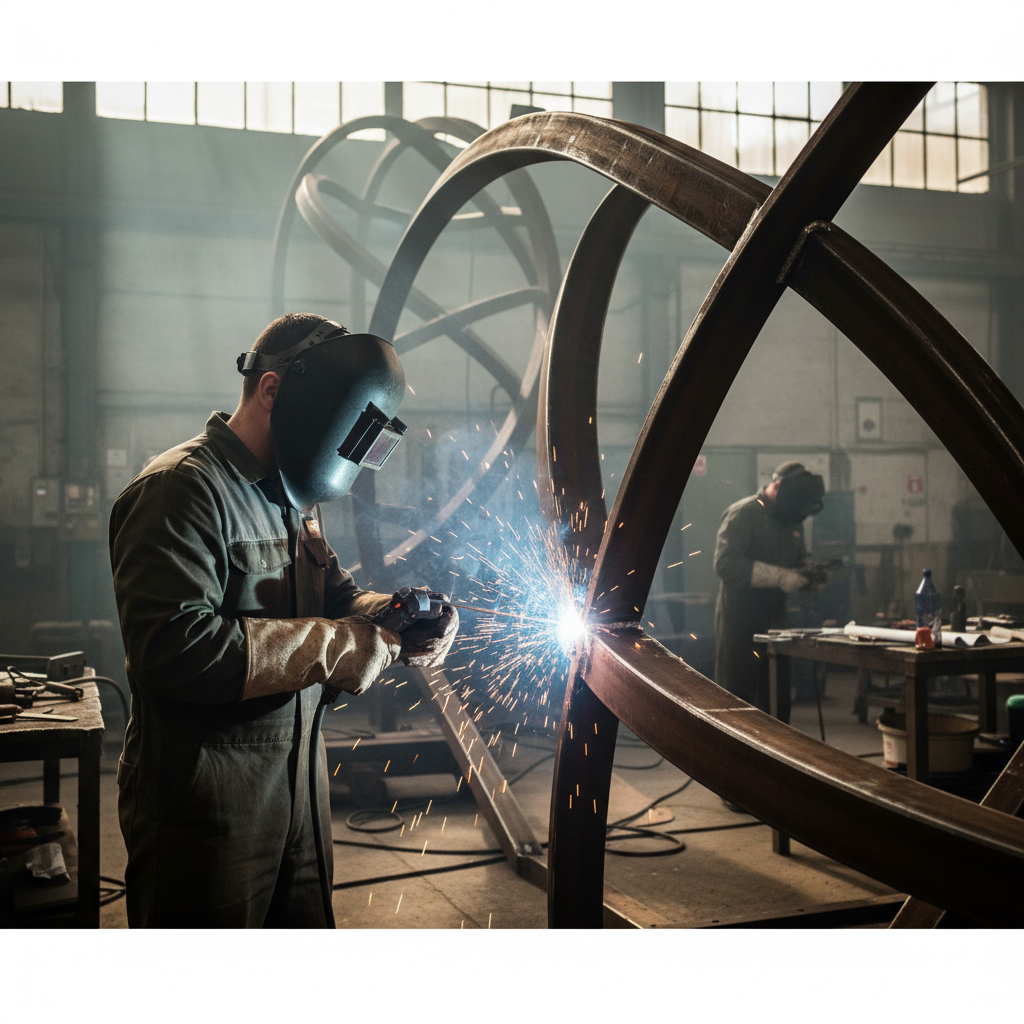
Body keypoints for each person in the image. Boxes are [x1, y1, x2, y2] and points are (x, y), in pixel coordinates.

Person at [109, 313, 458, 927]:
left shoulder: (287, 499)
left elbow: (334, 599)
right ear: (271, 390)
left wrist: (396, 620)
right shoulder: (182, 490)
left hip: (298, 794)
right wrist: (351, 646)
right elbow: (176, 651)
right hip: (206, 807)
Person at [713, 461, 826, 714]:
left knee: (776, 698)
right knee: (738, 701)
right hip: (740, 625)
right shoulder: (743, 514)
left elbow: (799, 557)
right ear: (777, 486)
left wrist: (809, 570)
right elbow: (725, 564)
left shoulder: (791, 519)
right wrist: (780, 577)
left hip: (776, 623)